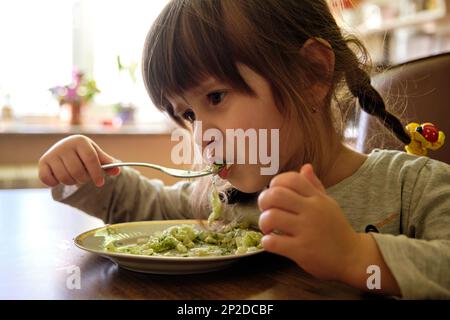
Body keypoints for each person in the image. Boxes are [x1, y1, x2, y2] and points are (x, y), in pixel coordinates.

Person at [38, 0, 450, 299]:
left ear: (311, 74)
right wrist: (87, 175)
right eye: (187, 115)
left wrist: (352, 253)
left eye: (215, 98)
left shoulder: (410, 187)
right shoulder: (225, 200)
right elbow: (149, 211)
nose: (201, 136)